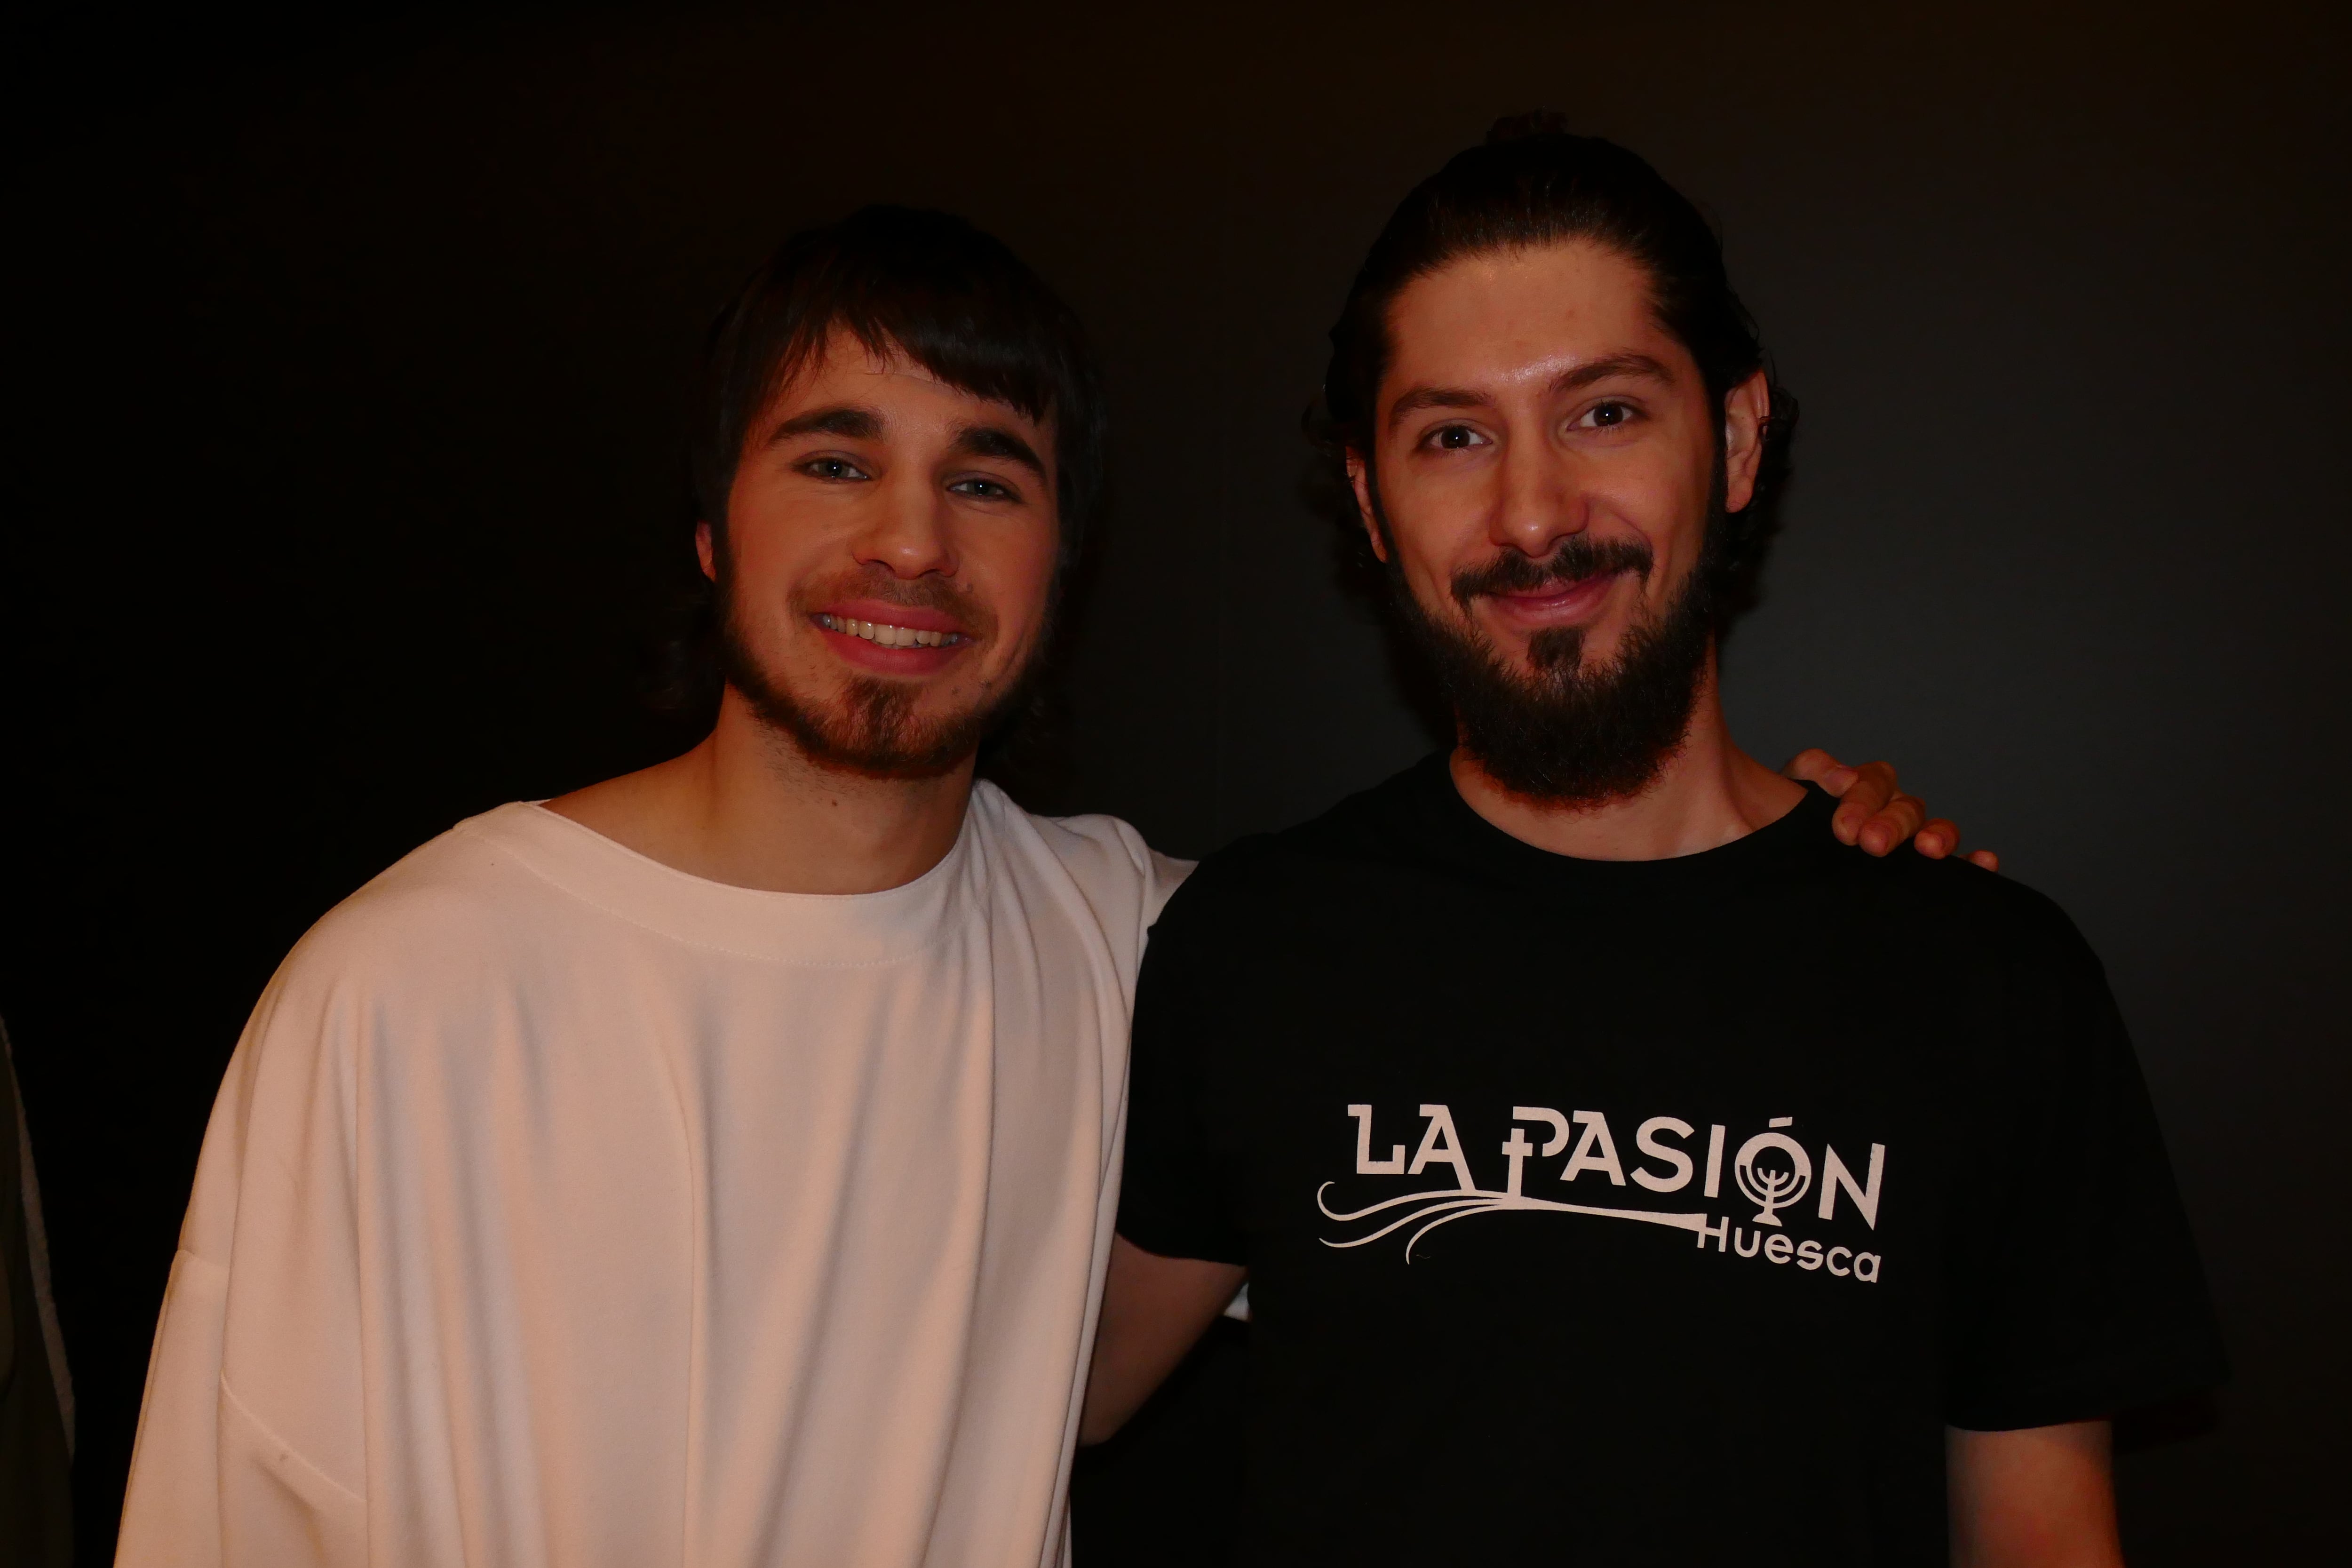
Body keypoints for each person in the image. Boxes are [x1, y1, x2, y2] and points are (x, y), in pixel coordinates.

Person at [117, 204, 1965, 1567]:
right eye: (835, 459)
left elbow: (1545, 997)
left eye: (985, 479)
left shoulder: (1158, 948)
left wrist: (1814, 853)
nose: (909, 542)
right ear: (710, 526)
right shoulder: (404, 989)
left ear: (1061, 559)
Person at [1088, 120, 2225, 1567]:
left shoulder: (1987, 978)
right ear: (1373, 505)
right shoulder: (1255, 944)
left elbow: (2044, 1544)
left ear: (1737, 440)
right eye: (1453, 436)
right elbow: (1030, 1409)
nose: (1535, 513)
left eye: (1605, 413)